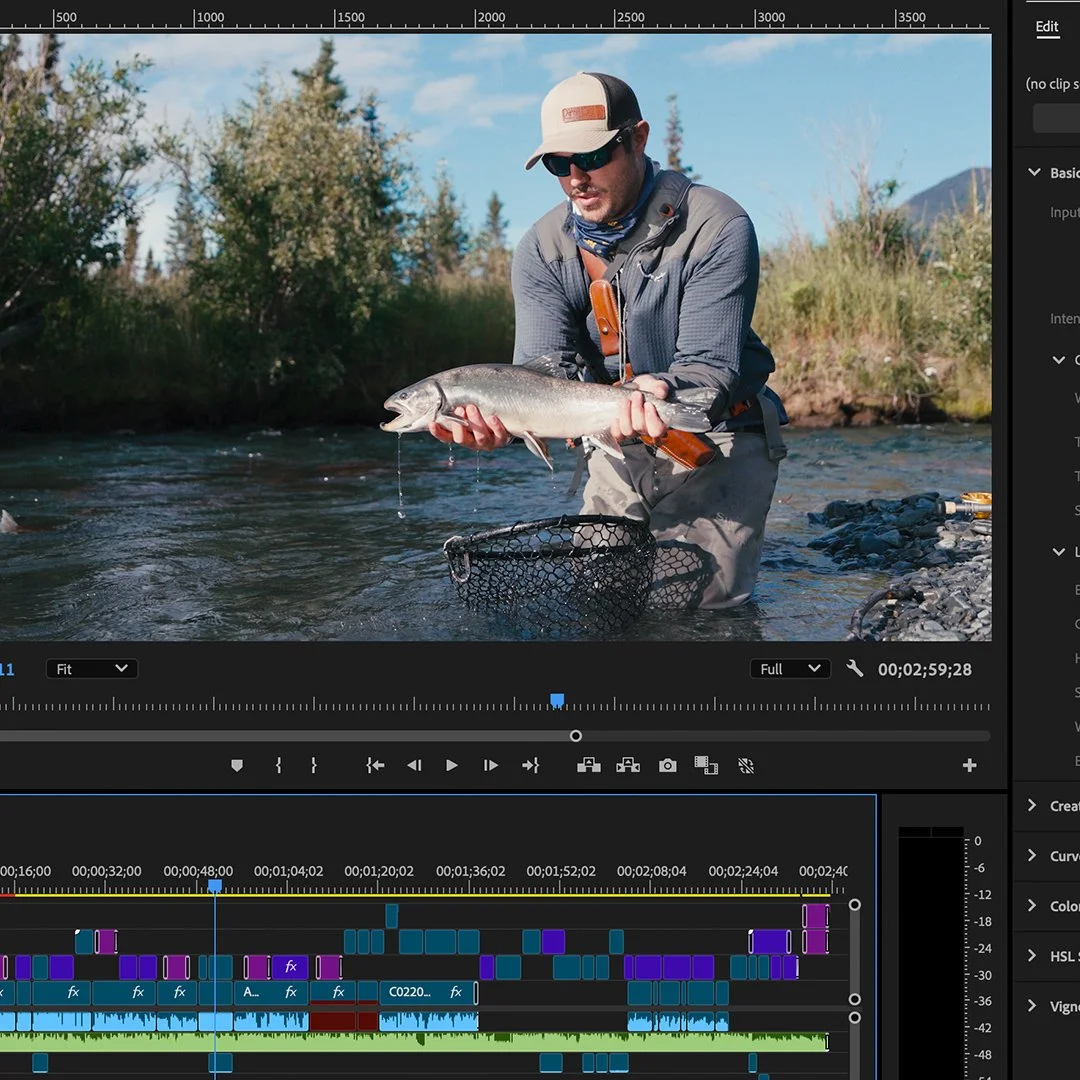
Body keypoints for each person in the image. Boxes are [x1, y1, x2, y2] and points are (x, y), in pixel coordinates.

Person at [429, 71, 787, 609]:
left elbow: (710, 372)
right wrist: (503, 422)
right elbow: (540, 376)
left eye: (593, 156)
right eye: (558, 164)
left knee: (691, 612)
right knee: (602, 600)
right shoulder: (540, 251)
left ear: (638, 138)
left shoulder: (717, 226)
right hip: (609, 439)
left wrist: (656, 390)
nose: (576, 177)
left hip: (719, 433)